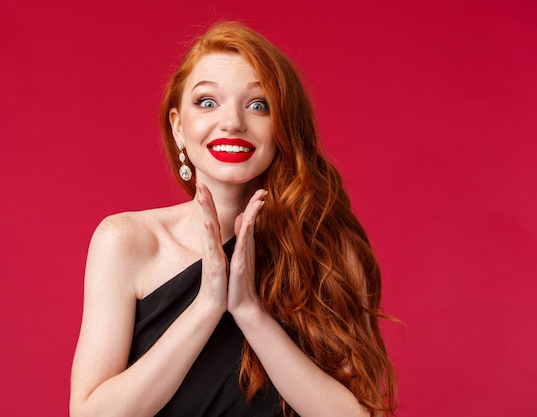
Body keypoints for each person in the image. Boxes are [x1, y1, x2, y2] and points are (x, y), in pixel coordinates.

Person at [70, 21, 397, 417]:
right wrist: (206, 307)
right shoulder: (126, 241)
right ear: (178, 127)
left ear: (283, 128)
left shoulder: (329, 250)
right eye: (207, 102)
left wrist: (250, 314)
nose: (232, 122)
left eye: (258, 105)